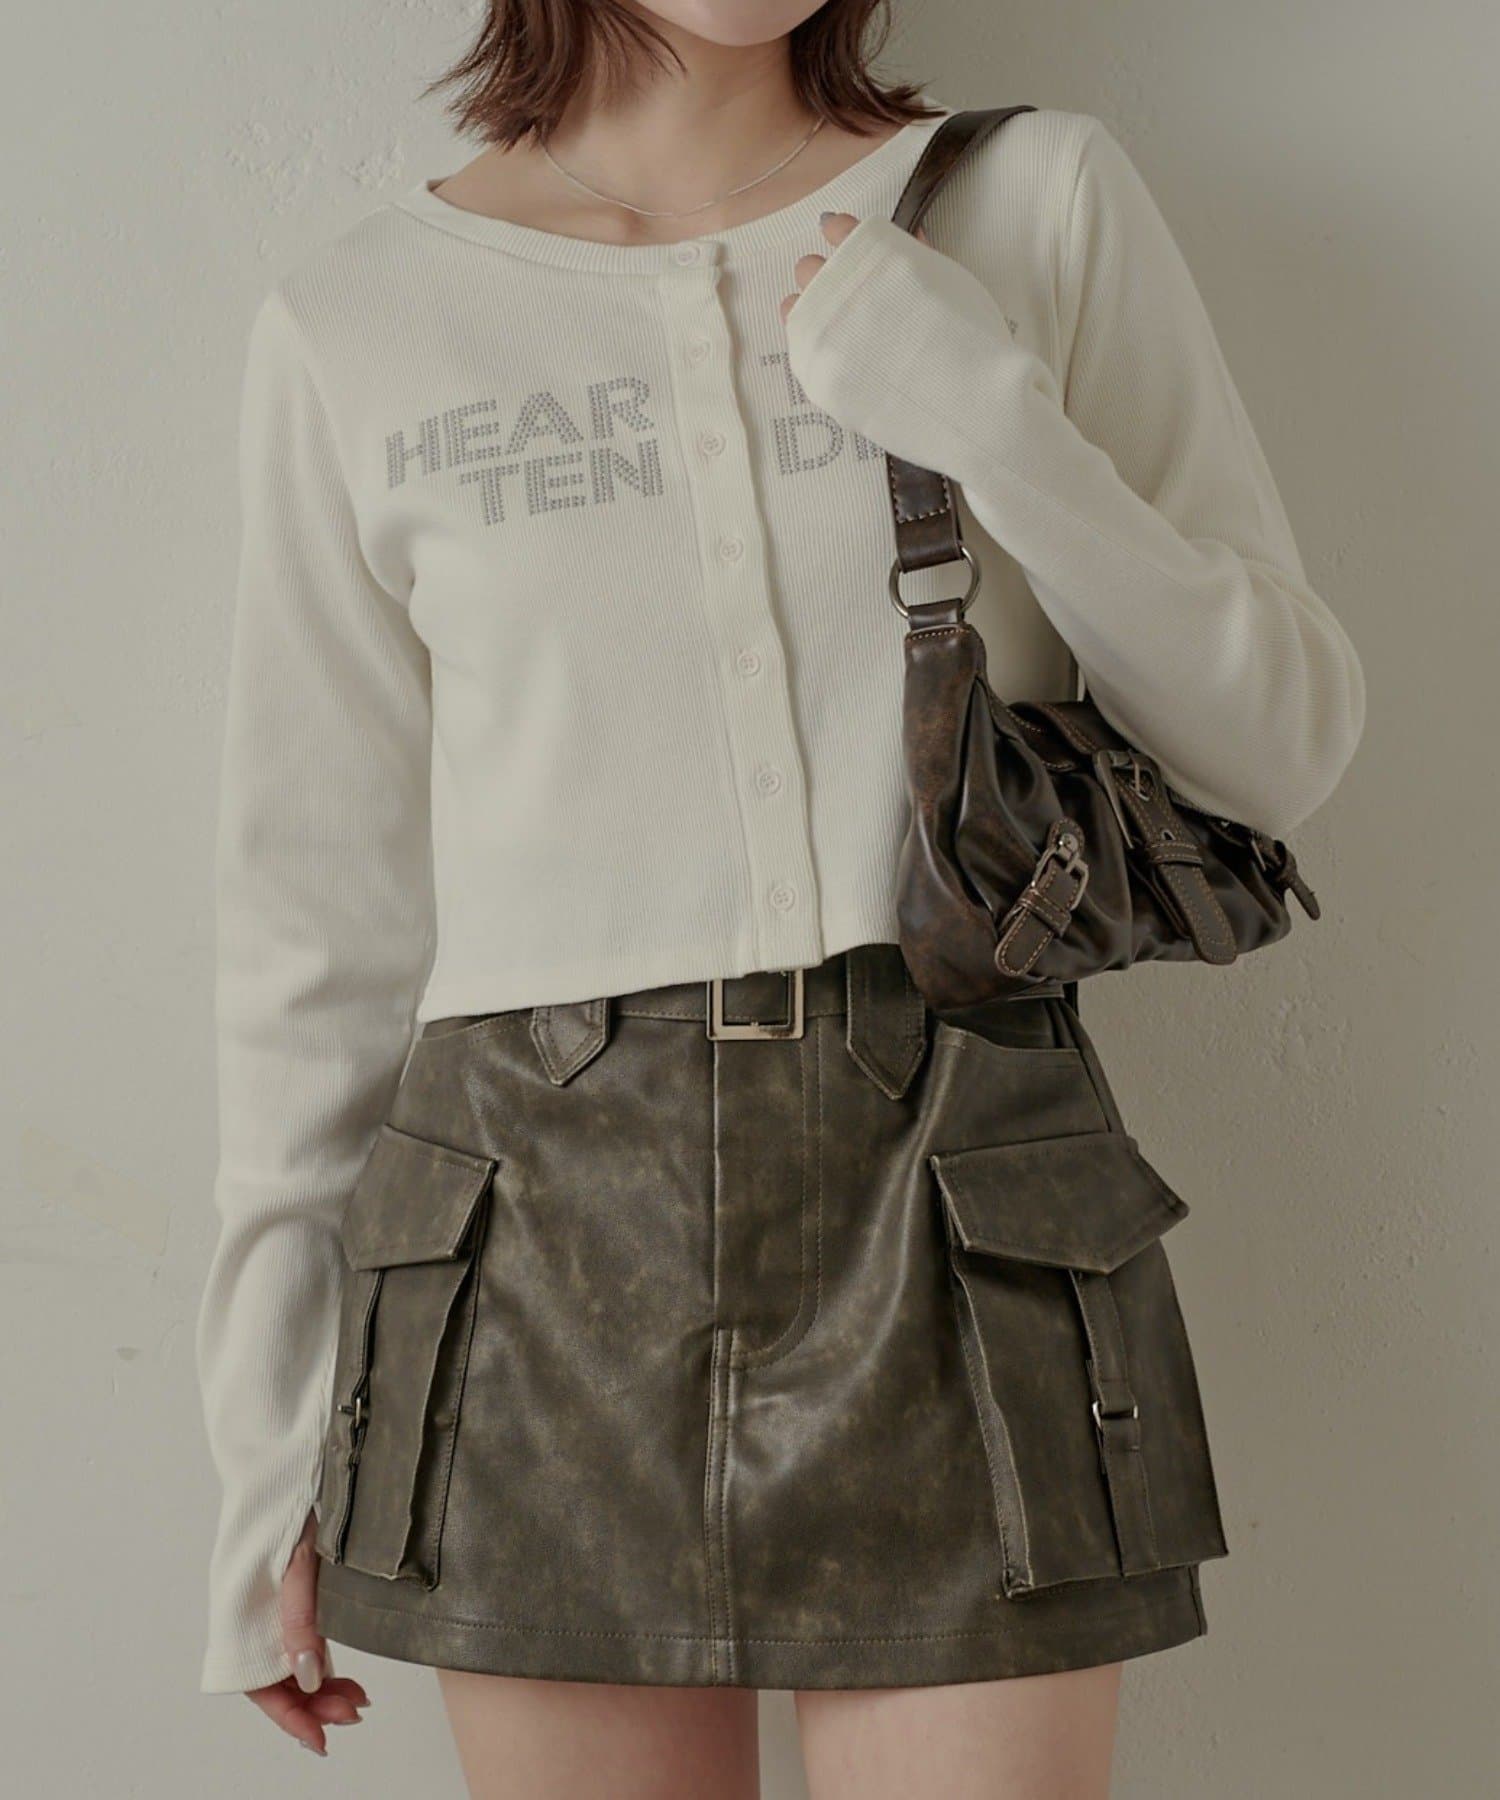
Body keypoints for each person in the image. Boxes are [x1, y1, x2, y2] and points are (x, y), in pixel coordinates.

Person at [194, 2, 1365, 1794]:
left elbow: (1278, 750)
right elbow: (315, 941)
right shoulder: (360, 318)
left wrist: (994, 420)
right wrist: (269, 1455)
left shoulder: (1030, 202)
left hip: (966, 1197)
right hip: (531, 1249)